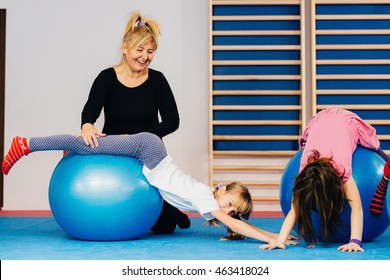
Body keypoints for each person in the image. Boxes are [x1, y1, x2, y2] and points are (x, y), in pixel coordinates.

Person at [2, 132, 298, 244]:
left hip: (150, 152)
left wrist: (275, 234)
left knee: (90, 147)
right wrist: (275, 237)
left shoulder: (207, 197)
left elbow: (236, 224)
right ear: (220, 190)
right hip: (148, 149)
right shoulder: (205, 197)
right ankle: (25, 145)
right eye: (230, 202)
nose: (229, 211)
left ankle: (75, 155)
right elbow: (234, 225)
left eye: (234, 209)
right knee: (82, 142)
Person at [79, 11, 186, 233]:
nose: (145, 56)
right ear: (125, 48)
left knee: (165, 228)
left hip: (147, 152)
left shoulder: (157, 80)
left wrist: (141, 139)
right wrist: (87, 124)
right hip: (116, 151)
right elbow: (90, 110)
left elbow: (172, 121)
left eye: (150, 51)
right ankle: (170, 206)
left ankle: (171, 208)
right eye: (139, 50)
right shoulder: (106, 77)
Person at [259, 108, 390, 252]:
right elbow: (294, 209)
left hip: (345, 122)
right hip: (320, 120)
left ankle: (384, 156)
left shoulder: (342, 172)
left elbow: (357, 207)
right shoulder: (304, 174)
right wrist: (280, 241)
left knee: (372, 144)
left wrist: (355, 241)